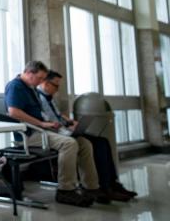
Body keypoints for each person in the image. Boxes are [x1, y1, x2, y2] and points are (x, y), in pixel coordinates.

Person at [4, 60, 101, 207]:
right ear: (29, 73)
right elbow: (14, 112)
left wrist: (51, 123)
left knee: (84, 143)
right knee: (69, 144)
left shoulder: (32, 88)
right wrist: (42, 124)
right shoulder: (15, 86)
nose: (42, 82)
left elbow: (40, 113)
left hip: (41, 130)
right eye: (40, 78)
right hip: (28, 135)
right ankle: (65, 190)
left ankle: (91, 187)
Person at [36, 70, 137, 202]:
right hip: (57, 134)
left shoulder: (49, 98)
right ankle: (104, 187)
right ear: (45, 83)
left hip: (63, 130)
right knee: (97, 145)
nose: (57, 89)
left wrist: (70, 122)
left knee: (103, 141)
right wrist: (65, 126)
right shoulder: (39, 98)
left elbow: (58, 115)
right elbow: (48, 121)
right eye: (55, 85)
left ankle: (113, 183)